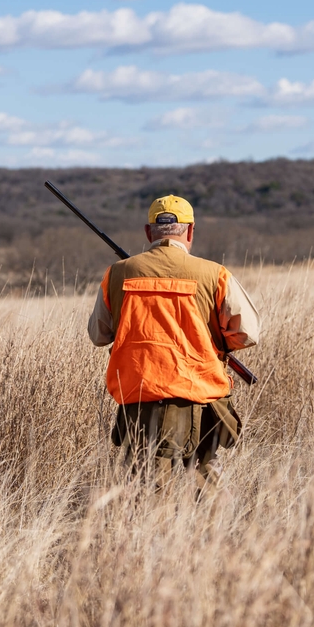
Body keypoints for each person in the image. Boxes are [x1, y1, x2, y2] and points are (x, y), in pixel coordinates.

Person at [88, 195, 259, 489]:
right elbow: (247, 333)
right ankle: (224, 534)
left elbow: (99, 335)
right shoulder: (214, 274)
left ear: (148, 232)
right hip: (200, 395)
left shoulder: (117, 273)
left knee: (145, 488)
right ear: (190, 231)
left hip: (140, 397)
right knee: (207, 479)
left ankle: (148, 535)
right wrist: (215, 341)